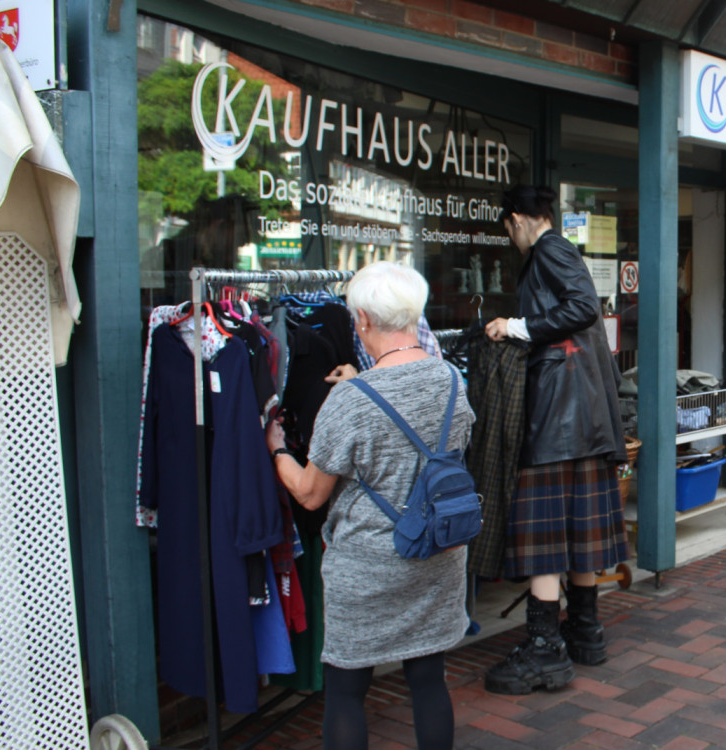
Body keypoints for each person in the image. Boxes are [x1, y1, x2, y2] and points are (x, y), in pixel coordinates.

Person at [265, 261, 473, 750]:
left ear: (360, 318)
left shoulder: (350, 400)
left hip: (368, 568)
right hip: (438, 552)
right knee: (429, 680)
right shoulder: (450, 379)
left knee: (346, 691)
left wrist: (276, 449)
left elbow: (310, 493)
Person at [482, 184, 628, 694]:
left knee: (543, 539)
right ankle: (584, 632)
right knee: (580, 532)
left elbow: (583, 307)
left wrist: (515, 326)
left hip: (556, 416)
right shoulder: (559, 250)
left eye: (508, 229)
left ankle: (545, 651)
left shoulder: (549, 250)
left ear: (517, 219)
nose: (511, 238)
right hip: (583, 415)